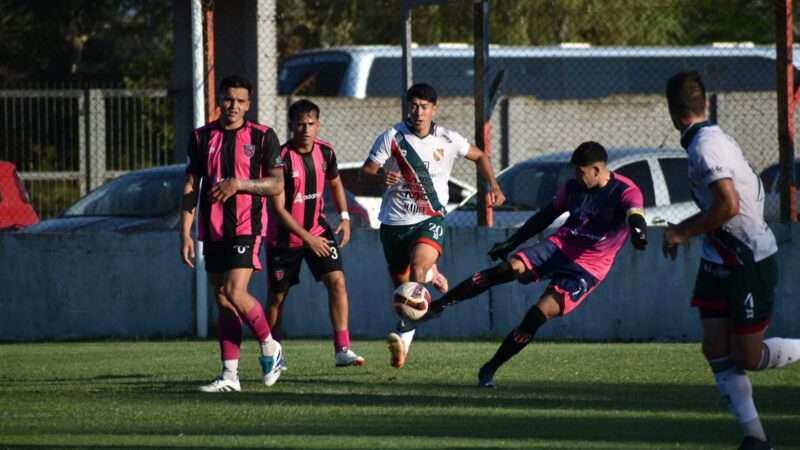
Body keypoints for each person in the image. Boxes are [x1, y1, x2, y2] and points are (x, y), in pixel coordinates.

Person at [401, 141, 649, 388]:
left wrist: (638, 232)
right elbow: (545, 216)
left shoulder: (625, 190)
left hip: (589, 267)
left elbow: (635, 213)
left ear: (596, 170)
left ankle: (490, 368)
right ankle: (438, 307)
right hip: (559, 247)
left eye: (580, 172)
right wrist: (512, 242)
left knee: (535, 317)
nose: (576, 176)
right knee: (506, 269)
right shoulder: (573, 187)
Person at [663, 71, 800, 450]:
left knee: (748, 356)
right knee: (715, 347)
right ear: (703, 103)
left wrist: (680, 232)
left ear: (672, 110)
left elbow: (728, 204)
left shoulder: (707, 146)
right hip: (718, 257)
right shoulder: (709, 138)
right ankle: (755, 438)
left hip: (748, 260)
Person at [360, 82, 505, 369]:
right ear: (407, 108)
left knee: (416, 271)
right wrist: (379, 179)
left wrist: (495, 187)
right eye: (413, 105)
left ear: (433, 109)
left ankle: (404, 339)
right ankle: (430, 279)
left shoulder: (448, 138)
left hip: (429, 220)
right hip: (393, 224)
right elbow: (366, 172)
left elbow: (480, 156)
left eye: (424, 106)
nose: (418, 112)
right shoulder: (391, 137)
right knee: (403, 294)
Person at [180, 75, 286, 393]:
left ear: (248, 105)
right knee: (223, 299)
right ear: (219, 101)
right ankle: (230, 376)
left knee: (234, 291)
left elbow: (277, 183)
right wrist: (184, 232)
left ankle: (271, 346)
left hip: (246, 227)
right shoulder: (201, 137)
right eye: (228, 99)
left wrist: (239, 184)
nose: (233, 106)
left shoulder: (264, 136)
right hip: (212, 230)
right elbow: (190, 185)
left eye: (240, 101)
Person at [265, 99, 365, 368]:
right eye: (300, 124)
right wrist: (307, 239)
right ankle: (274, 353)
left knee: (337, 282)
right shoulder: (280, 159)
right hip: (284, 238)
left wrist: (344, 217)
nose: (306, 129)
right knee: (277, 296)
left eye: (311, 124)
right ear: (291, 126)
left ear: (318, 125)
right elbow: (277, 210)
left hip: (319, 230)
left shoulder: (326, 152)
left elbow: (335, 183)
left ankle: (342, 349)